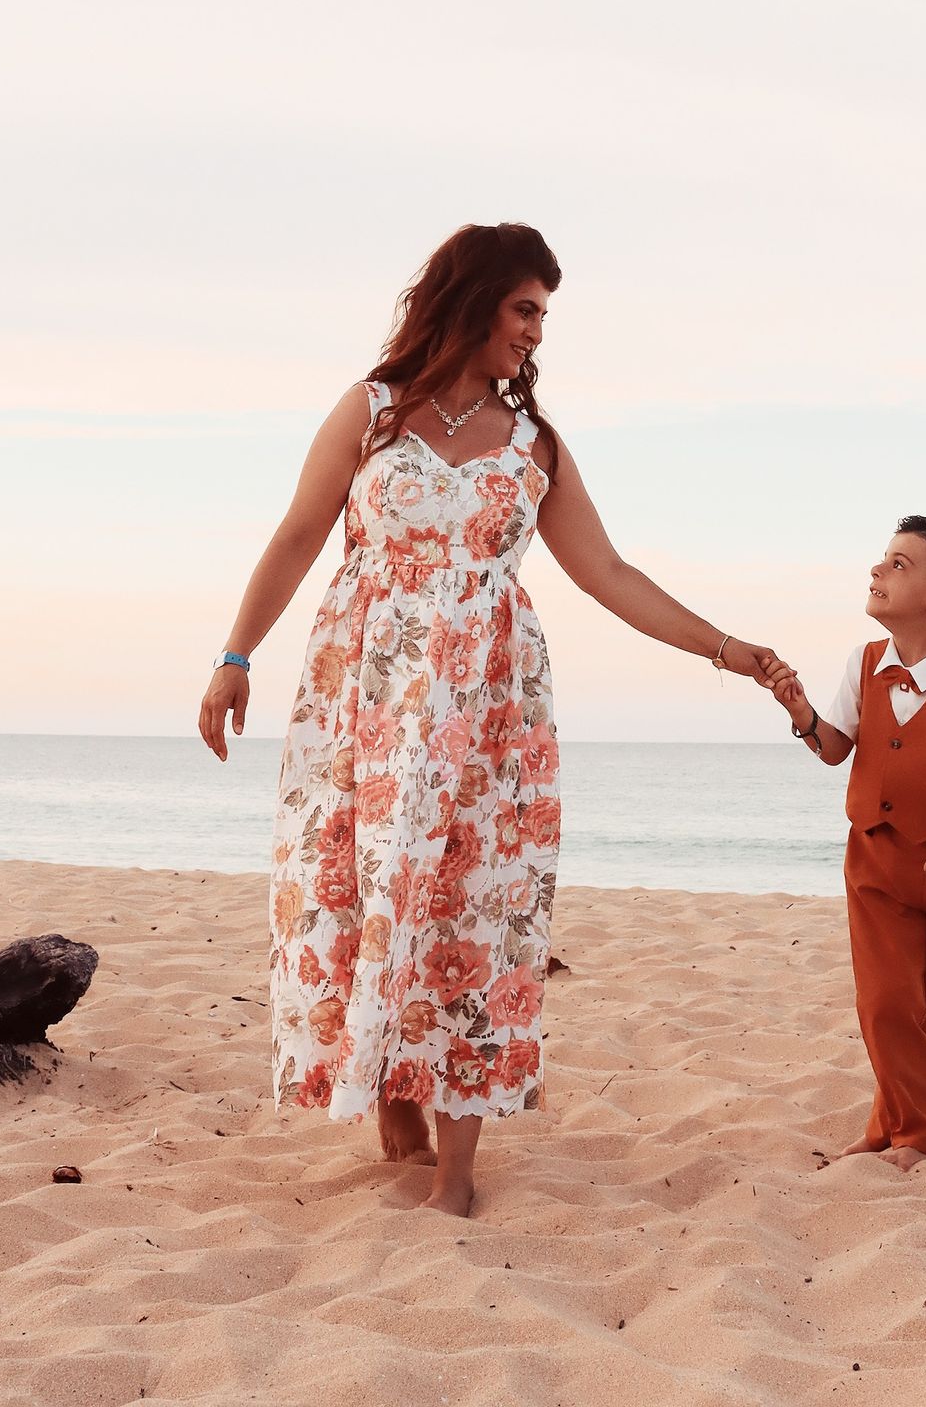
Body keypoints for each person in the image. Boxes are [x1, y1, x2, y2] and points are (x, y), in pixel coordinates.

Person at [197, 221, 784, 1217]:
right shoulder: (373, 412)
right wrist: (232, 657)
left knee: (472, 911)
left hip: (489, 711)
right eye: (523, 310)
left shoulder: (532, 445)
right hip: (368, 704)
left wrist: (732, 653)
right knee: (363, 892)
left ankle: (458, 1172)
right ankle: (391, 1105)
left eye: (542, 316)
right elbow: (299, 534)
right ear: (468, 302)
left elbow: (606, 573)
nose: (534, 334)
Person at [765, 518, 926, 1169]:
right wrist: (802, 716)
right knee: (885, 1003)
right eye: (882, 560)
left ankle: (887, 1125)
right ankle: (917, 1138)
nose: (877, 571)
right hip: (876, 859)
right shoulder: (863, 665)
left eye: (899, 564)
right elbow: (835, 751)